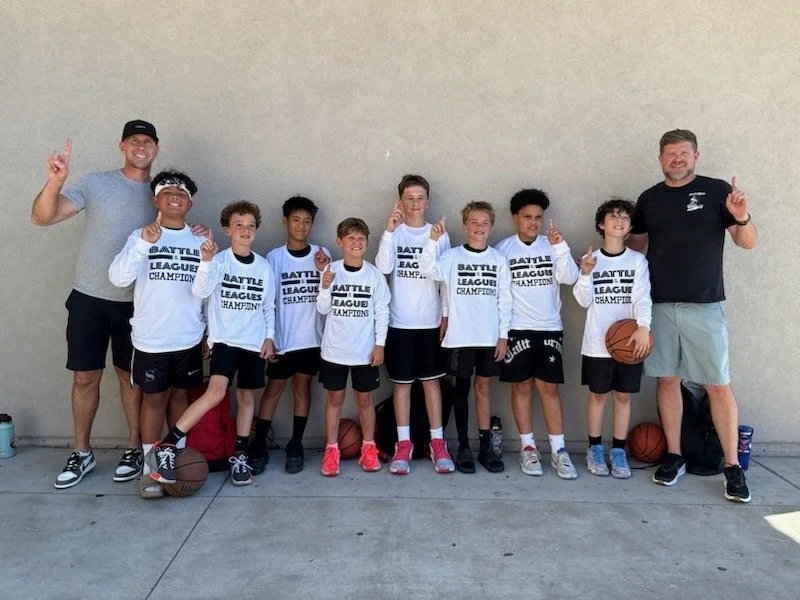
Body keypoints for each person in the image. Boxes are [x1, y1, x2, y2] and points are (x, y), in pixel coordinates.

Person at [31, 120, 168, 489]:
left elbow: (178, 228)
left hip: (136, 304)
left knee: (130, 378)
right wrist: (55, 182)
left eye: (148, 141)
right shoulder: (95, 184)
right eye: (134, 140)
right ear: (122, 146)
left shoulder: (161, 193)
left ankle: (134, 449)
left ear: (156, 148)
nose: (141, 146)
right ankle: (82, 452)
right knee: (84, 377)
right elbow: (42, 217)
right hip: (89, 298)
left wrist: (198, 231)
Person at [628, 129, 757, 503]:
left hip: (705, 304)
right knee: (667, 381)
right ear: (660, 159)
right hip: (659, 306)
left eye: (684, 153)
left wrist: (742, 217)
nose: (677, 159)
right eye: (670, 153)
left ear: (696, 156)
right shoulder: (649, 199)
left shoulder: (717, 192)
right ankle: (674, 456)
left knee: (718, 385)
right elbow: (634, 251)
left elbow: (747, 243)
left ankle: (732, 467)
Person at [146, 201, 275, 487]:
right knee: (215, 392)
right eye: (239, 225)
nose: (245, 230)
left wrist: (270, 336)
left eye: (251, 225)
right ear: (227, 230)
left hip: (254, 342)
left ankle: (239, 455)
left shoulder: (264, 266)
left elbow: (268, 306)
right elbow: (200, 291)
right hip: (225, 340)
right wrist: (205, 262)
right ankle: (168, 444)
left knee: (247, 398)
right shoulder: (218, 260)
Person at [108, 170, 206, 498]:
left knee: (180, 397)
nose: (175, 196)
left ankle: (173, 461)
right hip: (151, 338)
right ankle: (151, 470)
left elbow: (206, 290)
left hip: (188, 337)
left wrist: (208, 332)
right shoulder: (140, 236)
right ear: (155, 200)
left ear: (190, 203)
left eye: (182, 192)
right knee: (153, 399)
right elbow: (118, 279)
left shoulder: (200, 240)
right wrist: (142, 244)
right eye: (168, 191)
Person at [420, 201, 512, 474]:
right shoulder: (452, 256)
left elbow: (505, 299)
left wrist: (503, 336)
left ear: (491, 227)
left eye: (485, 223)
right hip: (460, 336)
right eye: (474, 222)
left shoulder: (498, 259)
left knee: (483, 387)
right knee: (461, 390)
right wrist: (432, 241)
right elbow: (428, 270)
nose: (479, 227)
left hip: (489, 336)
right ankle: (462, 446)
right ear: (464, 226)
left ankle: (485, 446)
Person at [495, 189, 580, 479]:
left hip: (549, 328)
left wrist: (560, 248)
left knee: (549, 389)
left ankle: (559, 450)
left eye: (538, 218)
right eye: (527, 217)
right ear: (515, 218)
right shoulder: (504, 249)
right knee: (520, 388)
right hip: (516, 328)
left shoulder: (552, 245)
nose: (533, 222)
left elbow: (570, 278)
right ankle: (528, 447)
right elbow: (499, 295)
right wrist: (501, 332)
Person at [374, 174, 455, 475]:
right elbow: (383, 267)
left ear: (428, 202)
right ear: (401, 201)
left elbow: (446, 280)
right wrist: (388, 231)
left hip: (430, 322)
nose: (415, 203)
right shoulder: (394, 233)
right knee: (402, 385)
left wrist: (445, 315)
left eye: (420, 198)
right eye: (410, 197)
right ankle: (403, 444)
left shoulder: (439, 235)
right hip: (399, 322)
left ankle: (437, 443)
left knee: (432, 383)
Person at [574, 199, 652, 479]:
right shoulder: (591, 259)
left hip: (629, 343)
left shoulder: (637, 260)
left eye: (625, 217)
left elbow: (642, 298)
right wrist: (585, 274)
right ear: (601, 224)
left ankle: (618, 450)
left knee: (623, 396)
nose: (619, 220)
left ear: (630, 227)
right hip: (597, 342)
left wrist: (643, 327)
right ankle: (594, 448)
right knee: (598, 396)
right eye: (613, 215)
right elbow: (583, 300)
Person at [253, 197, 330, 474]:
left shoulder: (322, 254)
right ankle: (259, 443)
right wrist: (269, 337)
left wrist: (323, 270)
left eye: (307, 221)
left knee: (302, 387)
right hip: (283, 339)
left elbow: (328, 293)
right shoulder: (274, 258)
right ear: (285, 222)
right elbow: (268, 300)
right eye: (296, 220)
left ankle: (296, 443)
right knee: (273, 388)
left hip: (311, 337)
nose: (301, 226)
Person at [316, 218, 391, 476]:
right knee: (334, 399)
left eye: (361, 238)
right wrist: (325, 287)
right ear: (340, 242)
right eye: (350, 238)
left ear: (367, 242)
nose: (356, 243)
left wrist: (380, 345)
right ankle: (331, 450)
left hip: (364, 351)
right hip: (334, 350)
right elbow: (322, 309)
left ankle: (369, 448)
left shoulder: (373, 275)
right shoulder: (331, 270)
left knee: (365, 399)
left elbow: (382, 312)